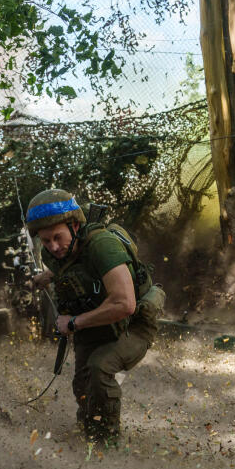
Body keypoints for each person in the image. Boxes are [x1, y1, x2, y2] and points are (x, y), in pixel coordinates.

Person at [25, 189, 164, 444]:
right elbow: (74, 266)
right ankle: (88, 432)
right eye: (46, 241)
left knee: (100, 368)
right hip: (98, 324)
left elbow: (125, 304)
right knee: (82, 385)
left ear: (75, 225)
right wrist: (49, 276)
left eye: (58, 237)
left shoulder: (103, 246)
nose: (53, 247)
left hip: (132, 324)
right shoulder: (55, 253)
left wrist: (73, 322)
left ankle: (106, 443)